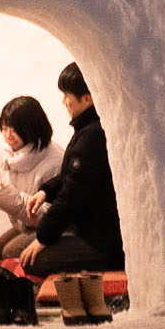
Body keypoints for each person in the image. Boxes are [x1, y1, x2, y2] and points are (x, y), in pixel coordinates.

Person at [14, 63, 125, 274]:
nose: (64, 101)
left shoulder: (94, 135)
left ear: (87, 99)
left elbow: (72, 196)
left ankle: (104, 269)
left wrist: (44, 238)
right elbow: (71, 176)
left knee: (33, 261)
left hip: (99, 238)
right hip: (83, 229)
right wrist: (46, 191)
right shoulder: (86, 129)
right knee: (17, 249)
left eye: (67, 95)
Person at [0, 95, 62, 260]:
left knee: (7, 252)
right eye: (4, 129)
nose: (8, 135)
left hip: (51, 226)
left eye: (14, 130)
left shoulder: (54, 160)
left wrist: (6, 196)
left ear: (31, 128)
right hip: (25, 224)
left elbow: (51, 214)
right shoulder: (9, 151)